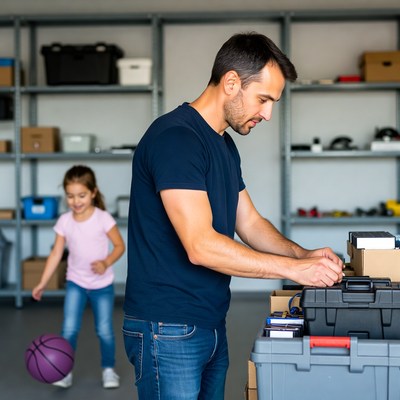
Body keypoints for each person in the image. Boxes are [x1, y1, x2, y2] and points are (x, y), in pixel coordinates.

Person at [123, 32, 344, 399]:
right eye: (263, 99)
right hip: (167, 326)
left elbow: (250, 223)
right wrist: (291, 270)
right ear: (230, 83)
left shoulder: (223, 145)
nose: (268, 114)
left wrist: (301, 255)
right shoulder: (176, 139)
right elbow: (201, 246)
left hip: (207, 321)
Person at [32, 165, 125, 389]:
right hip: (75, 283)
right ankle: (63, 371)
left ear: (93, 192)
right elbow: (56, 254)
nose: (76, 201)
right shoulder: (64, 221)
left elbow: (120, 246)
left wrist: (106, 262)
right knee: (69, 330)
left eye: (81, 195)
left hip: (102, 285)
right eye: (70, 196)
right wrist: (43, 282)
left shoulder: (103, 218)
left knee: (104, 330)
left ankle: (109, 370)